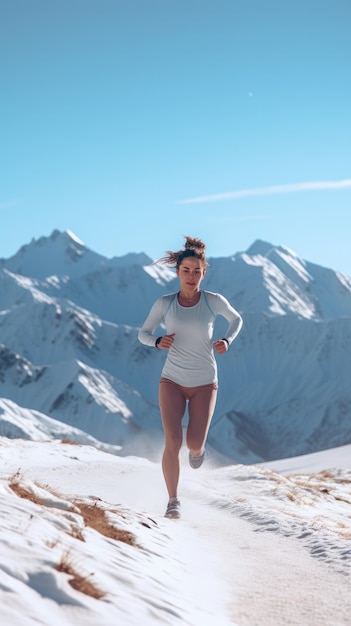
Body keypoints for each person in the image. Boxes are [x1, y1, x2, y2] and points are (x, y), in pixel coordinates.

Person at [138, 236, 243, 519]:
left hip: (205, 383)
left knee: (193, 443)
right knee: (173, 441)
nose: (191, 276)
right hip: (171, 380)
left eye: (197, 271)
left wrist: (227, 341)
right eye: (186, 270)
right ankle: (173, 500)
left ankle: (198, 453)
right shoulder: (165, 303)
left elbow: (236, 320)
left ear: (204, 273)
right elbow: (143, 333)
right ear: (177, 272)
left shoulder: (213, 301)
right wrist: (157, 341)